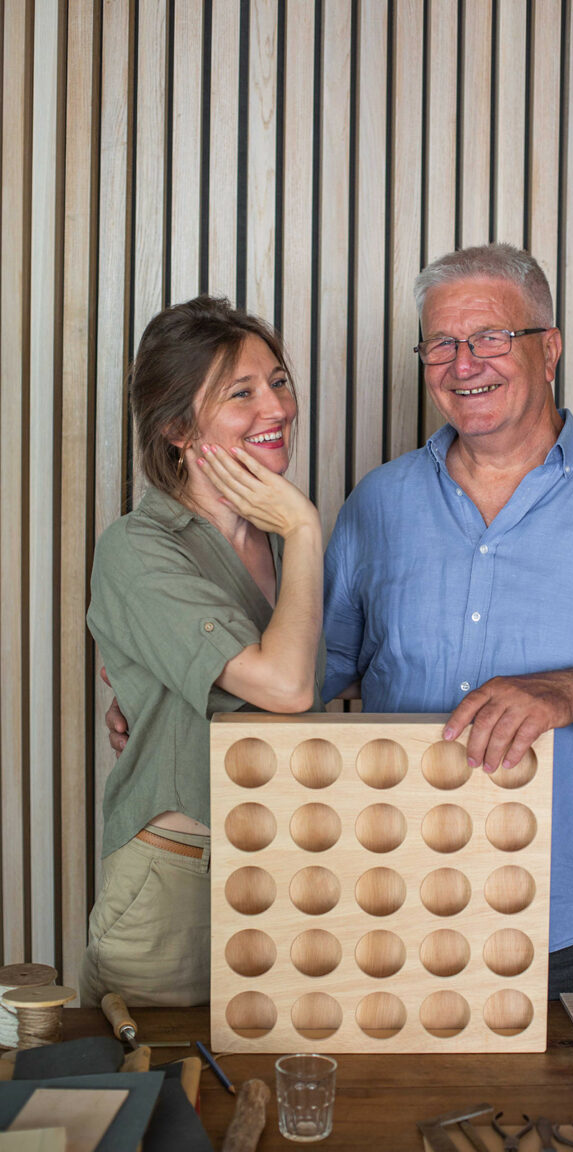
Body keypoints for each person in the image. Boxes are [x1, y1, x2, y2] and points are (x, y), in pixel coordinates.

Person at [321, 243, 573, 996]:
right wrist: (177, 688)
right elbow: (315, 667)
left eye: (490, 338)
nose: (463, 362)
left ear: (549, 349)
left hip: (564, 932)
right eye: (441, 343)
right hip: (386, 911)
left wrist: (568, 693)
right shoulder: (375, 505)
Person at [82, 295, 324, 1007]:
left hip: (287, 868)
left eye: (278, 381)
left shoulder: (278, 545)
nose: (275, 407)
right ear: (179, 428)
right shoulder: (138, 547)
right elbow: (285, 687)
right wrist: (308, 527)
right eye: (240, 393)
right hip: (177, 879)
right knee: (161, 1097)